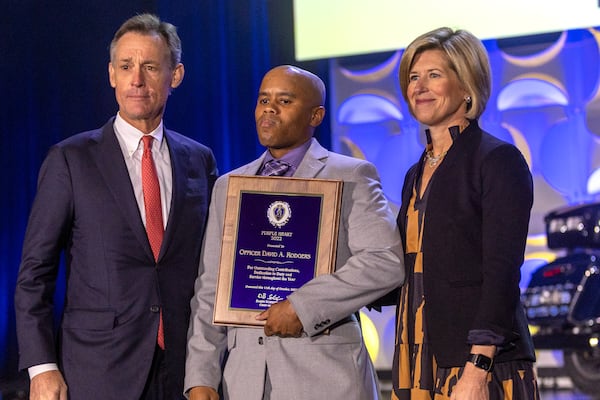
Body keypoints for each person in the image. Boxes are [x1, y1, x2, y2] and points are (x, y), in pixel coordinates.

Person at [14, 13, 218, 400]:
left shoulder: (199, 160)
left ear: (175, 75)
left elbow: (211, 268)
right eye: (126, 67)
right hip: (97, 373)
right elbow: (34, 273)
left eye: (150, 67)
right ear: (111, 74)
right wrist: (42, 368)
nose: (136, 80)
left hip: (184, 371)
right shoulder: (70, 160)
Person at [184, 65, 405, 400]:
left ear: (315, 115)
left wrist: (302, 307)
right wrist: (201, 375)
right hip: (245, 381)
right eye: (263, 100)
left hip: (326, 378)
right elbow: (211, 287)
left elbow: (384, 261)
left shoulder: (351, 175)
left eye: (284, 101)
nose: (269, 109)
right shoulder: (230, 186)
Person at [390, 27, 539, 399]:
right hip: (417, 354)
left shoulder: (497, 160)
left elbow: (502, 274)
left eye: (434, 75)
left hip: (475, 361)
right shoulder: (415, 171)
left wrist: (477, 369)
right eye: (413, 77)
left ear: (467, 84)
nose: (419, 86)